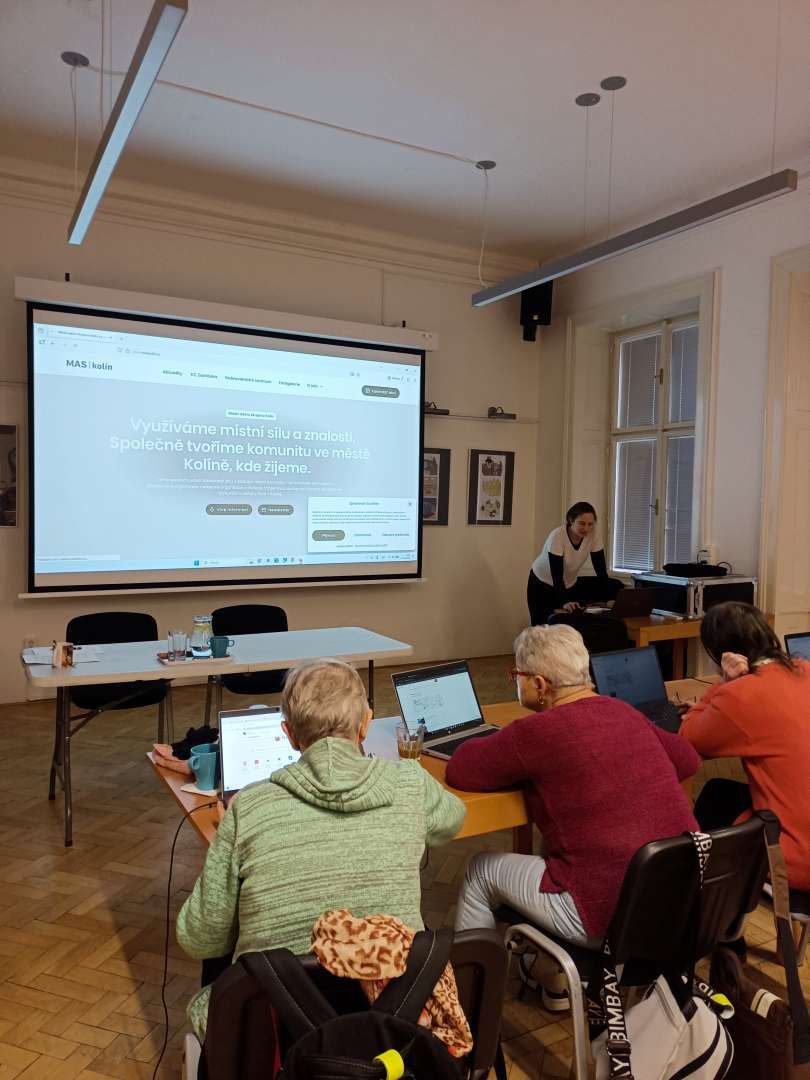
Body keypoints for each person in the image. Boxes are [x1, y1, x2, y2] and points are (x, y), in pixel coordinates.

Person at [176, 658, 466, 1041]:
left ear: (289, 735)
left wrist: (231, 843)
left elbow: (199, 938)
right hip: (392, 1020)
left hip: (275, 1029)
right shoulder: (410, 782)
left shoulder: (248, 807)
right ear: (365, 724)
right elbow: (452, 819)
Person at [447, 624, 699, 1005]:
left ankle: (467, 1010)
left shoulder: (535, 732)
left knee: (480, 870)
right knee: (559, 849)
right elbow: (687, 759)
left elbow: (461, 768)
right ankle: (552, 981)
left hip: (605, 915)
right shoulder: (623, 711)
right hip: (678, 907)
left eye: (516, 676)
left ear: (540, 685)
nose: (515, 683)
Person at [680, 602, 810, 892]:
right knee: (720, 790)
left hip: (796, 856)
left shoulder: (742, 694)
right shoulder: (804, 669)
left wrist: (724, 685)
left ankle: (706, 901)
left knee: (713, 803)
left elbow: (687, 738)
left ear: (722, 654)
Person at [527, 501, 622, 625]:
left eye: (590, 524)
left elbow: (601, 571)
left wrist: (609, 598)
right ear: (571, 520)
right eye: (582, 523)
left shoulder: (594, 535)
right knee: (541, 629)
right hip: (540, 584)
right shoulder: (557, 536)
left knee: (565, 627)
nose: (586, 528)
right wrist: (564, 602)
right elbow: (557, 576)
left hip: (567, 584)